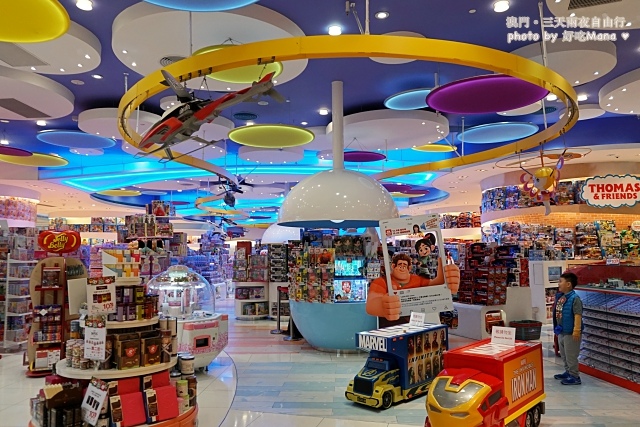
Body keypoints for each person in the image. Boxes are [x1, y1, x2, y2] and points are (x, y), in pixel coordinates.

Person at [366, 253, 460, 326]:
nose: (402, 268)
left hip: (416, 327)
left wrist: (446, 279)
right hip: (391, 329)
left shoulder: (417, 280)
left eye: (404, 265)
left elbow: (433, 287)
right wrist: (383, 306)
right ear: (393, 266)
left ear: (409, 268)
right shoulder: (382, 281)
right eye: (399, 265)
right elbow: (371, 305)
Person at [553, 272, 583, 385]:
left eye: (561, 281)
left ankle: (575, 376)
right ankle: (568, 372)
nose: (559, 284)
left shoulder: (575, 299)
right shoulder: (562, 297)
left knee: (571, 355)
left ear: (569, 284)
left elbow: (578, 315)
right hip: (562, 331)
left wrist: (576, 330)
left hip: (571, 332)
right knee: (564, 354)